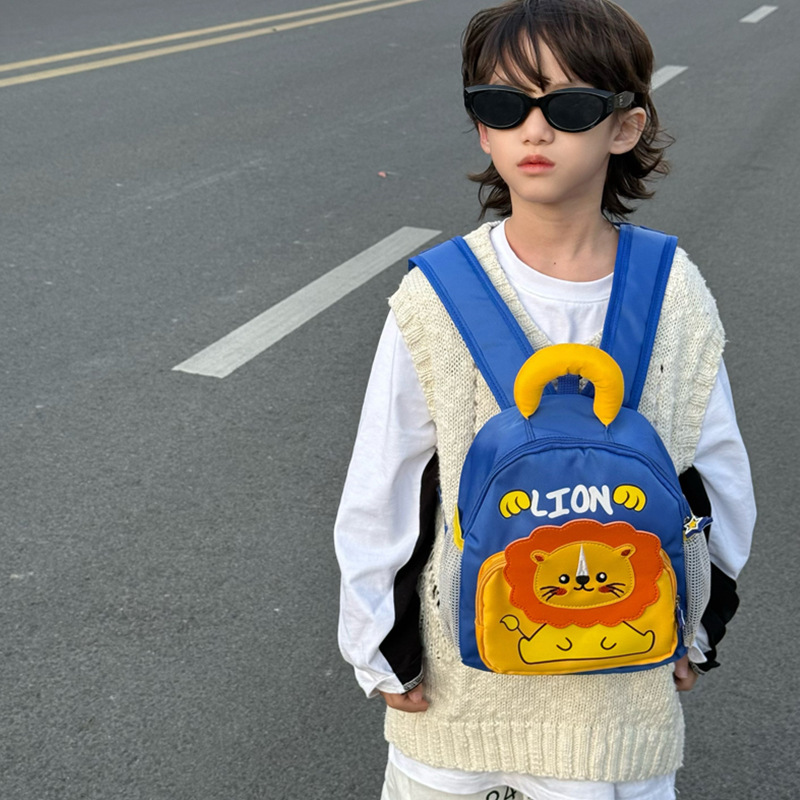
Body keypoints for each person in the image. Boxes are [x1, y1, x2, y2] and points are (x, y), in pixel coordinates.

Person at [334, 1, 756, 798]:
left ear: (624, 128)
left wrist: (696, 630)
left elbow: (715, 472)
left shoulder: (676, 294)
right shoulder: (431, 300)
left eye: (566, 108)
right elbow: (385, 481)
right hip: (459, 707)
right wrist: (378, 647)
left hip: (617, 712)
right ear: (482, 129)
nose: (533, 130)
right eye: (503, 105)